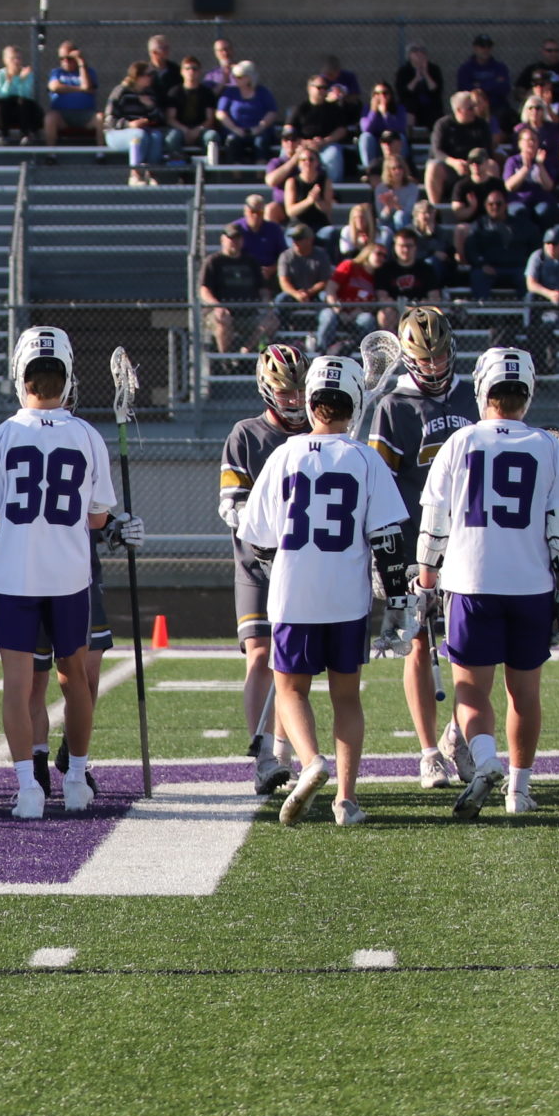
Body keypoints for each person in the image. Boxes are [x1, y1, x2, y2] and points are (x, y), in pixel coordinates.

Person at [0, 326, 137, 818]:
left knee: (18, 686)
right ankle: (76, 779)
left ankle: (29, 790)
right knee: (73, 680)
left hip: (15, 578)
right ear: (67, 376)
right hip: (69, 576)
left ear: (20, 376)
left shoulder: (1, 436)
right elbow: (99, 517)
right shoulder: (85, 435)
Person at [237, 355, 415, 827]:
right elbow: (389, 540)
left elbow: (255, 536)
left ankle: (311, 760)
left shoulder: (283, 455)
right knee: (347, 698)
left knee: (291, 690)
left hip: (295, 593)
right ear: (354, 404)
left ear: (311, 402)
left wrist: (289, 564)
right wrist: (397, 602)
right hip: (347, 597)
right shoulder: (365, 459)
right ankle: (346, 799)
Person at [414, 345, 559, 818]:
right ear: (527, 393)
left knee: (471, 690)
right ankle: (519, 790)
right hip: (530, 584)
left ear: (481, 389)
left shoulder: (460, 442)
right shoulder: (548, 445)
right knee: (524, 692)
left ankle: (487, 760)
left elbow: (434, 525)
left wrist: (426, 581)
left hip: (469, 580)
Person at [365, 306, 480, 789]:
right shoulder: (395, 406)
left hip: (473, 541)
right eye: (423, 358)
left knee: (468, 649)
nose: (433, 366)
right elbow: (378, 482)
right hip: (417, 541)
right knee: (417, 643)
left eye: (439, 356)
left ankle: (462, 734)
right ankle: (429, 752)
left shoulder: (476, 393)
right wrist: (386, 552)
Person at [218, 345, 309, 793]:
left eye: (297, 391)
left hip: (306, 567)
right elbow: (231, 505)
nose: (292, 400)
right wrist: (269, 541)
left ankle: (283, 755)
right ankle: (263, 759)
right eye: (283, 391)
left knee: (292, 666)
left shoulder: (317, 434)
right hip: (256, 565)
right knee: (259, 656)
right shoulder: (246, 434)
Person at [199, 224, 270, 355]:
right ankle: (225, 359)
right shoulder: (213, 261)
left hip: (249, 313)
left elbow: (263, 289)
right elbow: (204, 290)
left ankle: (245, 351)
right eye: (230, 238)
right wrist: (218, 306)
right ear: (223, 240)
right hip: (221, 312)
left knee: (271, 320)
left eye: (237, 238)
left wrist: (266, 304)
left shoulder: (251, 261)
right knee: (223, 320)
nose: (234, 242)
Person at [106, 63, 166, 185]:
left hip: (145, 131)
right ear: (137, 77)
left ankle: (151, 173)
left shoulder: (149, 93)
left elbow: (160, 118)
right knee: (138, 135)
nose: (151, 78)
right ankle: (135, 174)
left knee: (157, 136)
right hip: (117, 134)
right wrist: (130, 125)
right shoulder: (121, 91)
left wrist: (150, 106)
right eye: (147, 75)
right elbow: (109, 120)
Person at [210, 62, 279, 165]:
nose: (235, 79)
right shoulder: (230, 92)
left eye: (239, 77)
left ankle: (260, 176)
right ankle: (236, 177)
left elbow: (272, 112)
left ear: (249, 78)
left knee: (261, 142)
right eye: (234, 77)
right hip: (236, 131)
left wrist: (259, 127)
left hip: (258, 131)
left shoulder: (263, 92)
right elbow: (220, 113)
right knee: (233, 142)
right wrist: (235, 129)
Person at [42, 41, 98, 146]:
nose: (65, 61)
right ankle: (51, 154)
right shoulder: (57, 72)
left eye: (69, 58)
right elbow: (54, 87)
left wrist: (81, 63)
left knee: (100, 118)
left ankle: (101, 154)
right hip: (62, 115)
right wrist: (80, 89)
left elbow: (87, 85)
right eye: (62, 58)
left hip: (86, 115)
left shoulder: (88, 71)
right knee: (49, 118)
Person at [0, 45, 43, 145]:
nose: (16, 61)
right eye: (12, 58)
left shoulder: (27, 74)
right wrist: (10, 81)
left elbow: (26, 94)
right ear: (5, 60)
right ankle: (5, 136)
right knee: (0, 103)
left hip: (23, 108)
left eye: (18, 58)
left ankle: (25, 135)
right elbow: (1, 95)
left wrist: (19, 79)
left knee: (22, 101)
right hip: (6, 109)